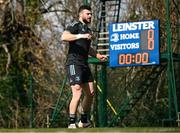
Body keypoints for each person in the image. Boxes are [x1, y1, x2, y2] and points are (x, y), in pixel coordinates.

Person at [61, 5, 107, 128]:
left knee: (91, 93)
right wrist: (80, 36)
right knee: (77, 92)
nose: (90, 16)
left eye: (91, 14)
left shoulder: (88, 30)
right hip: (73, 63)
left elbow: (87, 47)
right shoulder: (75, 26)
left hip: (84, 64)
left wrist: (97, 55)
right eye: (88, 14)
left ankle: (83, 121)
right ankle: (71, 122)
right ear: (81, 14)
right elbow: (64, 37)